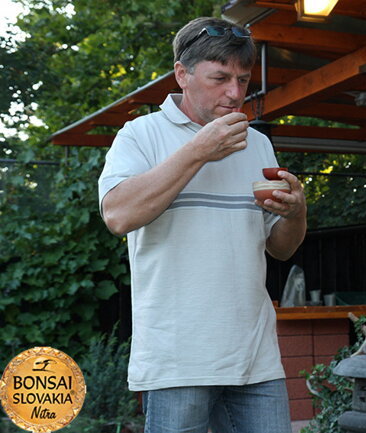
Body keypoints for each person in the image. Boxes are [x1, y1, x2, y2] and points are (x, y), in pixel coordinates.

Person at [97, 16, 306, 433]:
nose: (234, 93)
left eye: (243, 80)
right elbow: (118, 215)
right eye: (220, 78)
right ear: (182, 75)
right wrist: (198, 151)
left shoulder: (257, 142)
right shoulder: (140, 135)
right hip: (178, 363)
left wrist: (296, 212)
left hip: (255, 360)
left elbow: (280, 248)